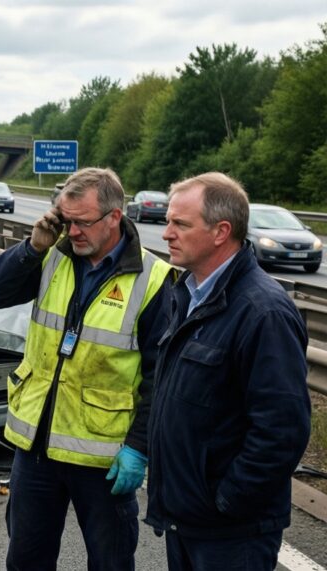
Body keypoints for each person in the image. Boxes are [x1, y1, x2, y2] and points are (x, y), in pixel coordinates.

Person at [0, 167, 173, 571]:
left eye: (82, 222)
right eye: (65, 221)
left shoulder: (153, 280)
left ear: (114, 217)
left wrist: (139, 447)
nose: (73, 232)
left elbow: (161, 375)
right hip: (37, 447)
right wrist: (32, 247)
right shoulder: (52, 253)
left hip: (104, 457)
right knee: (27, 559)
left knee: (110, 562)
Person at [145, 172, 310, 570]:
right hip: (187, 519)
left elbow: (282, 430)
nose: (166, 233)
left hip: (231, 532)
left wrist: (228, 501)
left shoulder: (262, 311)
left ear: (221, 231)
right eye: (168, 221)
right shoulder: (185, 293)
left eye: (180, 224)